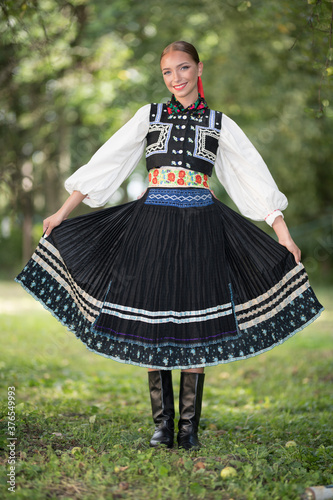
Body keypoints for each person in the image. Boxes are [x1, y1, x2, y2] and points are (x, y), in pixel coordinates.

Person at [15, 41, 323, 451]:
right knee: (154, 321)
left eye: (183, 69)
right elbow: (109, 160)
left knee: (195, 323)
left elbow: (251, 176)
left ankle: (188, 429)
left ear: (198, 69)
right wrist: (62, 211)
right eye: (167, 72)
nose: (175, 79)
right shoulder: (150, 115)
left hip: (201, 225)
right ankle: (162, 426)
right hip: (152, 223)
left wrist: (281, 231)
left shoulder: (218, 123)